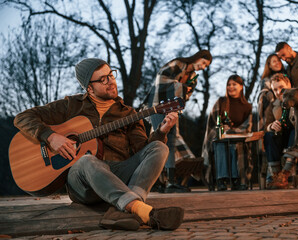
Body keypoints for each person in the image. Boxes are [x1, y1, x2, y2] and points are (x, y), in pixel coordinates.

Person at [13, 58, 184, 231]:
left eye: (111, 75)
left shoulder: (128, 113)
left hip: (118, 176)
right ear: (89, 87)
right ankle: (139, 210)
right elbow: (22, 117)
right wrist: (50, 137)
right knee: (87, 160)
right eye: (103, 79)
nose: (111, 82)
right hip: (84, 183)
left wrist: (161, 132)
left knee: (159, 147)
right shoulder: (71, 106)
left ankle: (129, 209)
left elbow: (142, 153)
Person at [144, 50, 212, 193]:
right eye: (204, 63)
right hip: (158, 104)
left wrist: (184, 90)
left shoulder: (193, 77)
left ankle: (170, 181)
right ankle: (156, 180)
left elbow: (186, 97)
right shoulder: (178, 64)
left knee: (172, 140)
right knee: (159, 140)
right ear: (198, 58)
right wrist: (180, 87)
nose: (203, 67)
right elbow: (160, 80)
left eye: (206, 66)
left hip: (173, 108)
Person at [202, 75, 252, 191]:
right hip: (220, 137)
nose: (231, 87)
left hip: (238, 138)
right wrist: (220, 128)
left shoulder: (247, 106)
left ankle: (236, 179)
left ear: (241, 87)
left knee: (236, 145)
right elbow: (212, 122)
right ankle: (221, 180)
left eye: (234, 84)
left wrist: (233, 131)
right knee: (220, 143)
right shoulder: (221, 102)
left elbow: (247, 127)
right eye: (229, 85)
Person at [263, 73, 295, 189]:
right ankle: (276, 175)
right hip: (281, 139)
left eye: (281, 87)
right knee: (268, 136)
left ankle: (285, 173)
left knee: (295, 131)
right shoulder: (273, 105)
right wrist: (271, 126)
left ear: (289, 85)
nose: (278, 91)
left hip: (296, 140)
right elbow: (265, 126)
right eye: (275, 89)